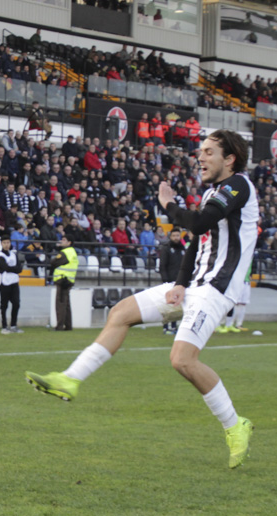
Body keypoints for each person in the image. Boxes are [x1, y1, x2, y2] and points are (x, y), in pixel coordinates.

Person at [25, 130, 257, 469]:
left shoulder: (239, 186)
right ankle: (70, 379)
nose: (201, 157)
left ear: (230, 158)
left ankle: (235, 425)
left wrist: (169, 206)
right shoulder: (214, 191)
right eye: (200, 151)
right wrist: (179, 283)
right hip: (194, 285)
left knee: (182, 360)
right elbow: (197, 239)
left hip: (216, 289)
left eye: (208, 151)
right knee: (120, 313)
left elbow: (199, 221)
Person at [49, 235, 78, 330]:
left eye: (64, 240)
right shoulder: (73, 252)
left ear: (69, 242)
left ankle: (60, 326)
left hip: (62, 279)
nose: (61, 241)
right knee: (66, 304)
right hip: (69, 279)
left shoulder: (65, 252)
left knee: (60, 303)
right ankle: (68, 325)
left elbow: (54, 262)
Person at [158, 229, 184, 334]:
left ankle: (174, 326)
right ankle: (166, 327)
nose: (176, 238)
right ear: (170, 237)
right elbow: (162, 265)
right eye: (174, 236)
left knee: (176, 305)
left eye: (178, 235)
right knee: (167, 304)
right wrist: (165, 280)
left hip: (179, 281)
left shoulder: (182, 249)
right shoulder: (166, 248)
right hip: (169, 281)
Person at [0, 233, 23, 334]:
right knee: (4, 305)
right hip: (4, 283)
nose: (6, 244)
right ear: (1, 244)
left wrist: (12, 269)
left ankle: (13, 325)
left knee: (16, 303)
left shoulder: (13, 254)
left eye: (8, 242)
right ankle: (4, 326)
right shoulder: (0, 256)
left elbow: (19, 268)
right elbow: (3, 268)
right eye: (4, 243)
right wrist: (14, 269)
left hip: (14, 282)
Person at [218, 264, 252, 333]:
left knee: (243, 303)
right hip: (236, 281)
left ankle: (237, 324)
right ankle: (223, 323)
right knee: (233, 302)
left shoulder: (250, 255)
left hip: (246, 281)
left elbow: (251, 266)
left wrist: (251, 274)